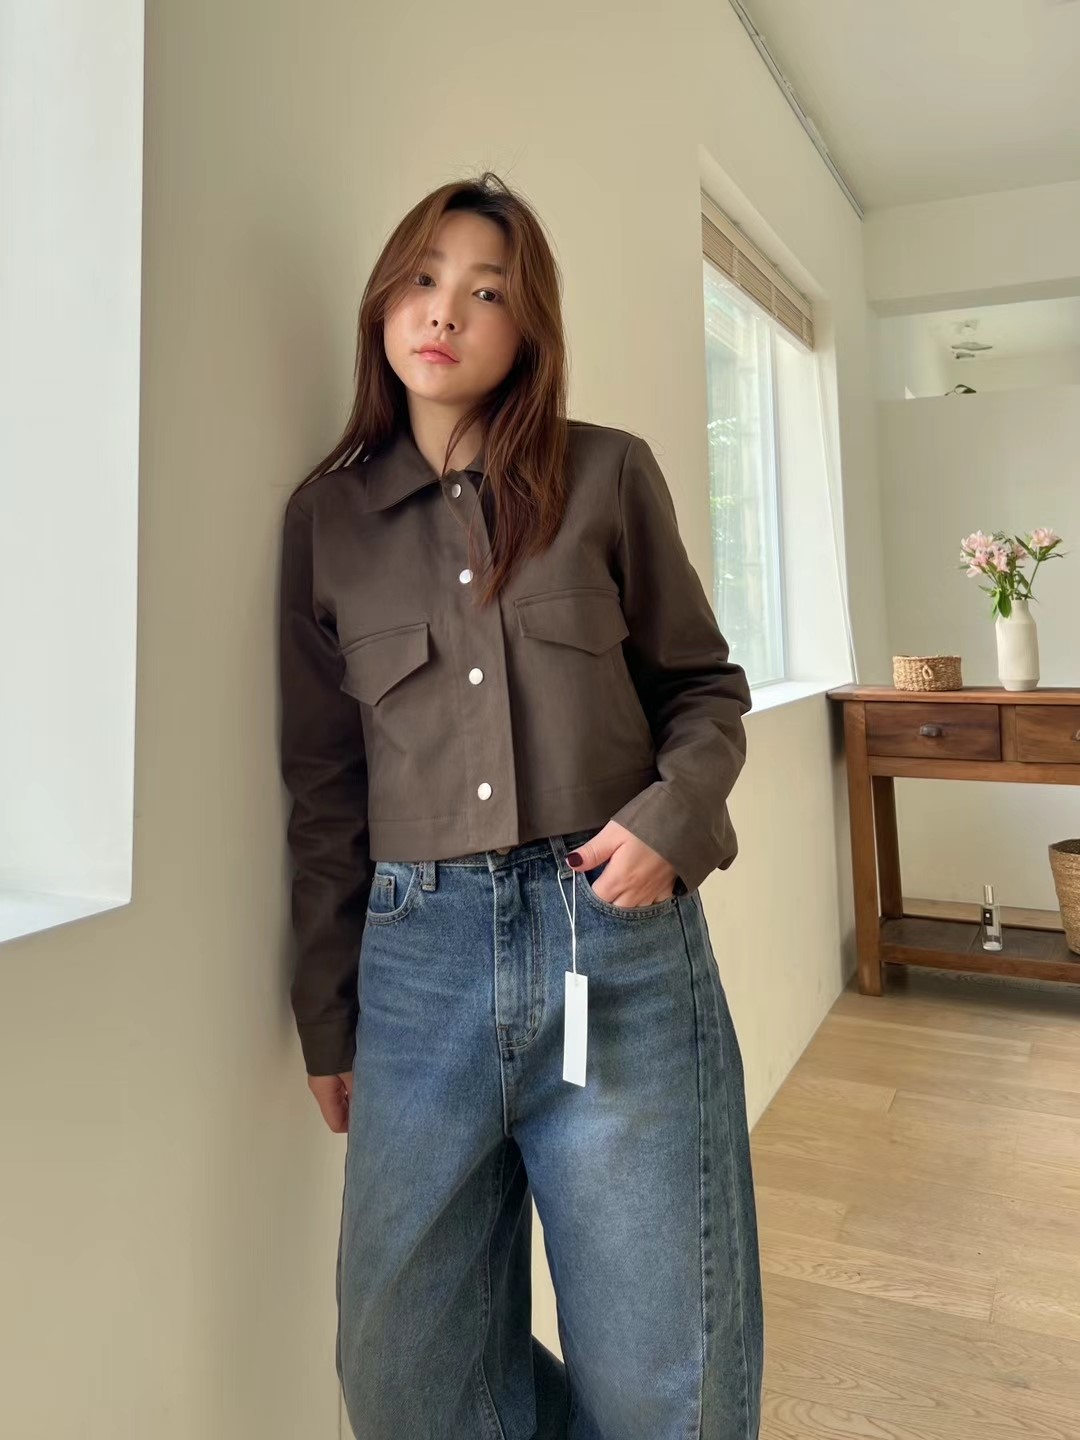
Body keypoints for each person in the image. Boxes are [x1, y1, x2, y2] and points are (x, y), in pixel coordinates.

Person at [277, 170, 763, 1440]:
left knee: (664, 1379)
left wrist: (672, 822)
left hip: (614, 945)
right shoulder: (325, 522)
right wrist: (326, 1013)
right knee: (404, 1378)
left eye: (487, 292)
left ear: (529, 329)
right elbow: (323, 786)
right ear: (384, 301)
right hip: (417, 968)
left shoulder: (609, 475)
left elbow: (704, 688)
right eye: (424, 278)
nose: (446, 310)